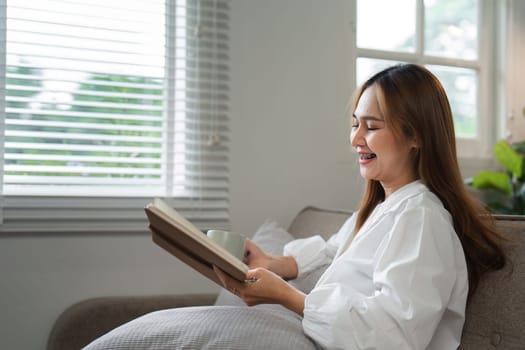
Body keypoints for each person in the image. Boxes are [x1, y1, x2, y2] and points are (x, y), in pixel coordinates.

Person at [214, 63, 507, 349]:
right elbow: (333, 253)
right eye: (355, 124)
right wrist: (274, 264)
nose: (355, 139)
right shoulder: (382, 209)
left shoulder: (421, 219)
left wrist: (288, 297)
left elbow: (393, 337)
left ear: (415, 135)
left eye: (372, 126)